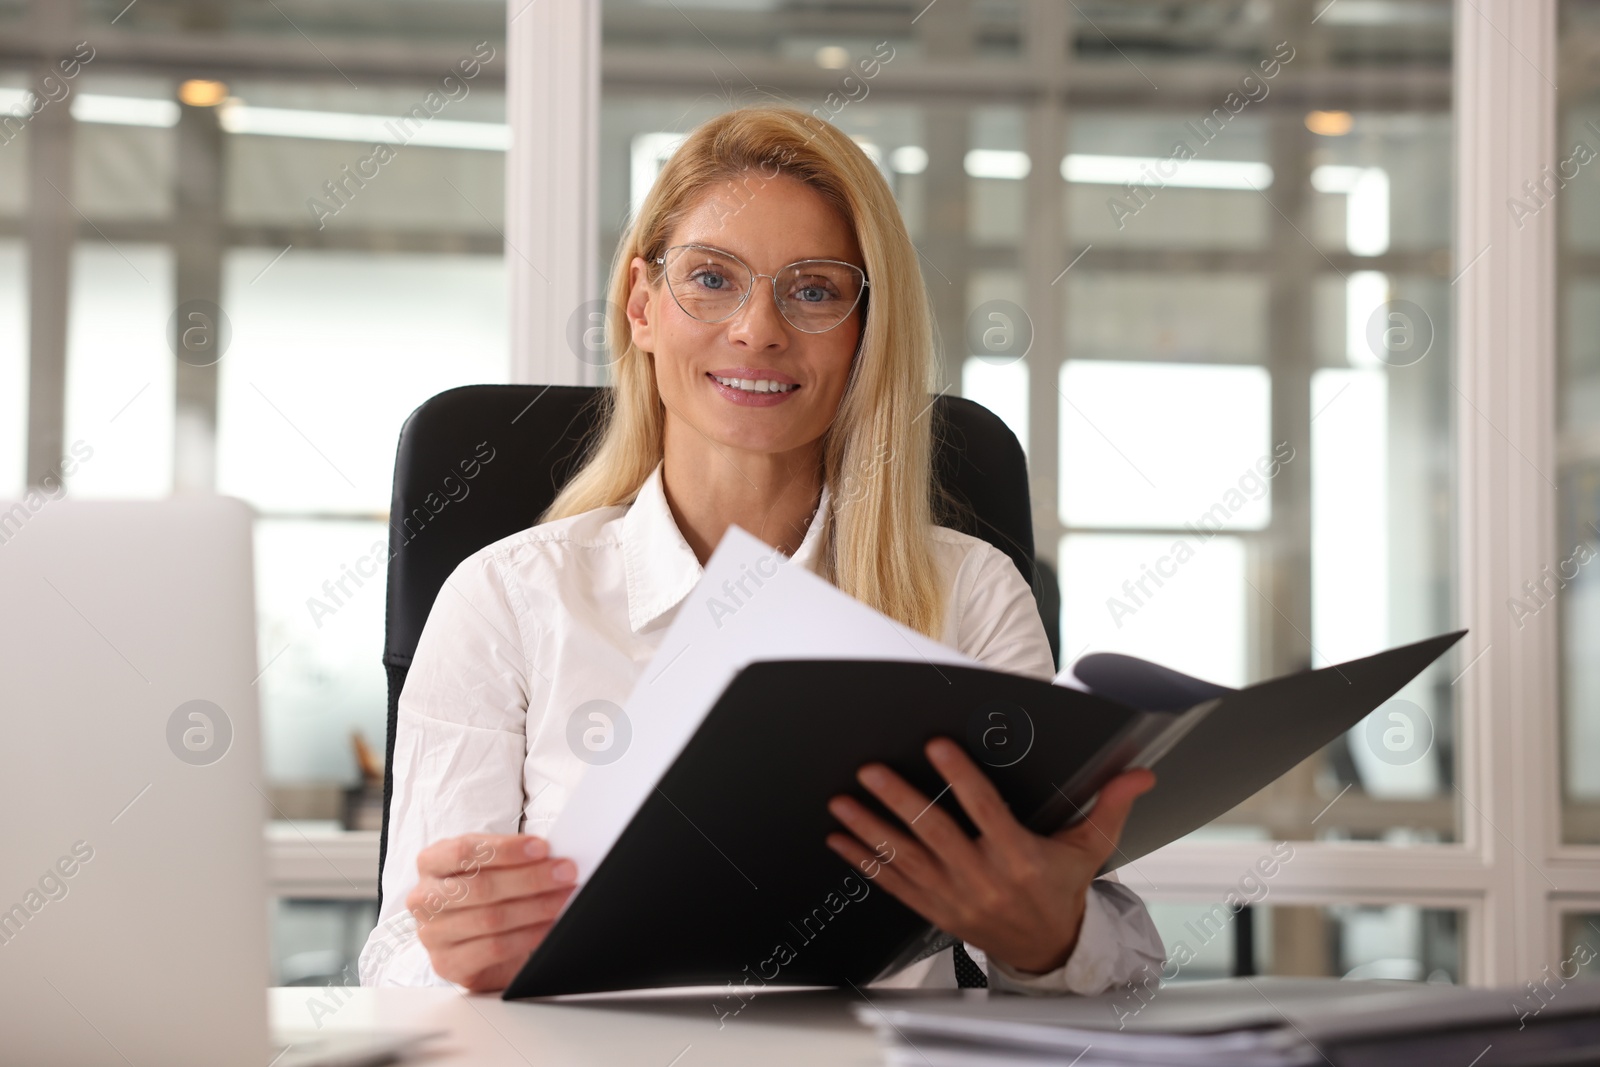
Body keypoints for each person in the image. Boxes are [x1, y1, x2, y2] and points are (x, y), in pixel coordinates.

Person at [359, 103, 1165, 994]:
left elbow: (1118, 964)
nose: (758, 330)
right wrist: (458, 959)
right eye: (711, 278)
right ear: (641, 305)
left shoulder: (968, 592)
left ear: (866, 332)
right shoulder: (507, 599)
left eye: (814, 289)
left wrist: (1048, 939)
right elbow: (398, 955)